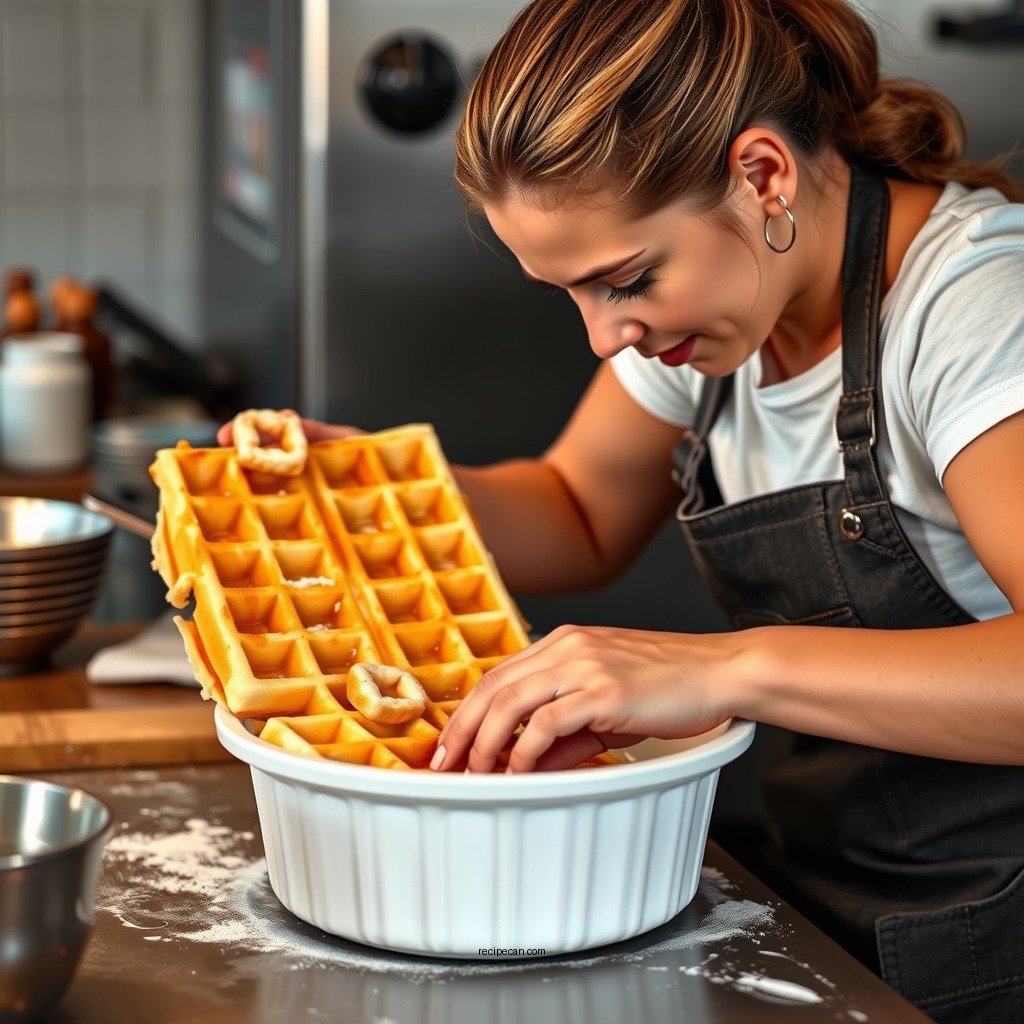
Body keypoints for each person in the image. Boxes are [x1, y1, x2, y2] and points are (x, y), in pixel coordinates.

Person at [220, 0, 1024, 1019]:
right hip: (835, 905)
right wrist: (375, 489)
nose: (606, 340)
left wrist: (724, 665)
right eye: (572, 295)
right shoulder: (735, 304)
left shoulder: (974, 310)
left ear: (763, 175)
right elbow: (576, 510)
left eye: (626, 280)